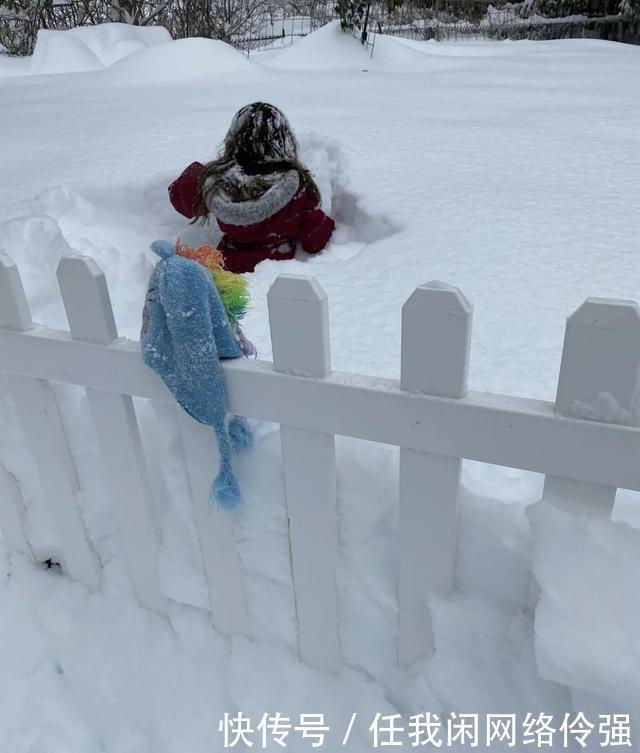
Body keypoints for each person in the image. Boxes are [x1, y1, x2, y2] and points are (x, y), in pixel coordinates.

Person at [168, 102, 335, 273]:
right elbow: (316, 240)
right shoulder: (294, 189)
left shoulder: (220, 183)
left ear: (234, 140)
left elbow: (179, 196)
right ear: (283, 141)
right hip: (276, 272)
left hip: (227, 271)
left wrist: (205, 174)